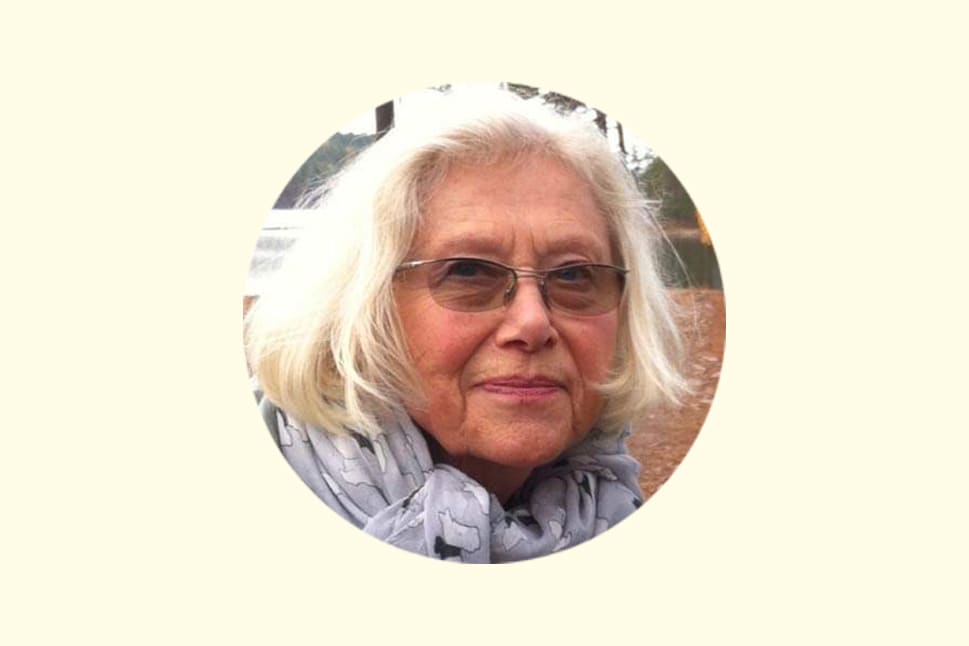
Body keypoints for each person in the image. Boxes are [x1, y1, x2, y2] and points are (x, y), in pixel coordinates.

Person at [245, 87, 687, 563]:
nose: (532, 323)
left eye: (574, 275)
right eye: (468, 271)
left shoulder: (611, 507)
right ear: (363, 305)